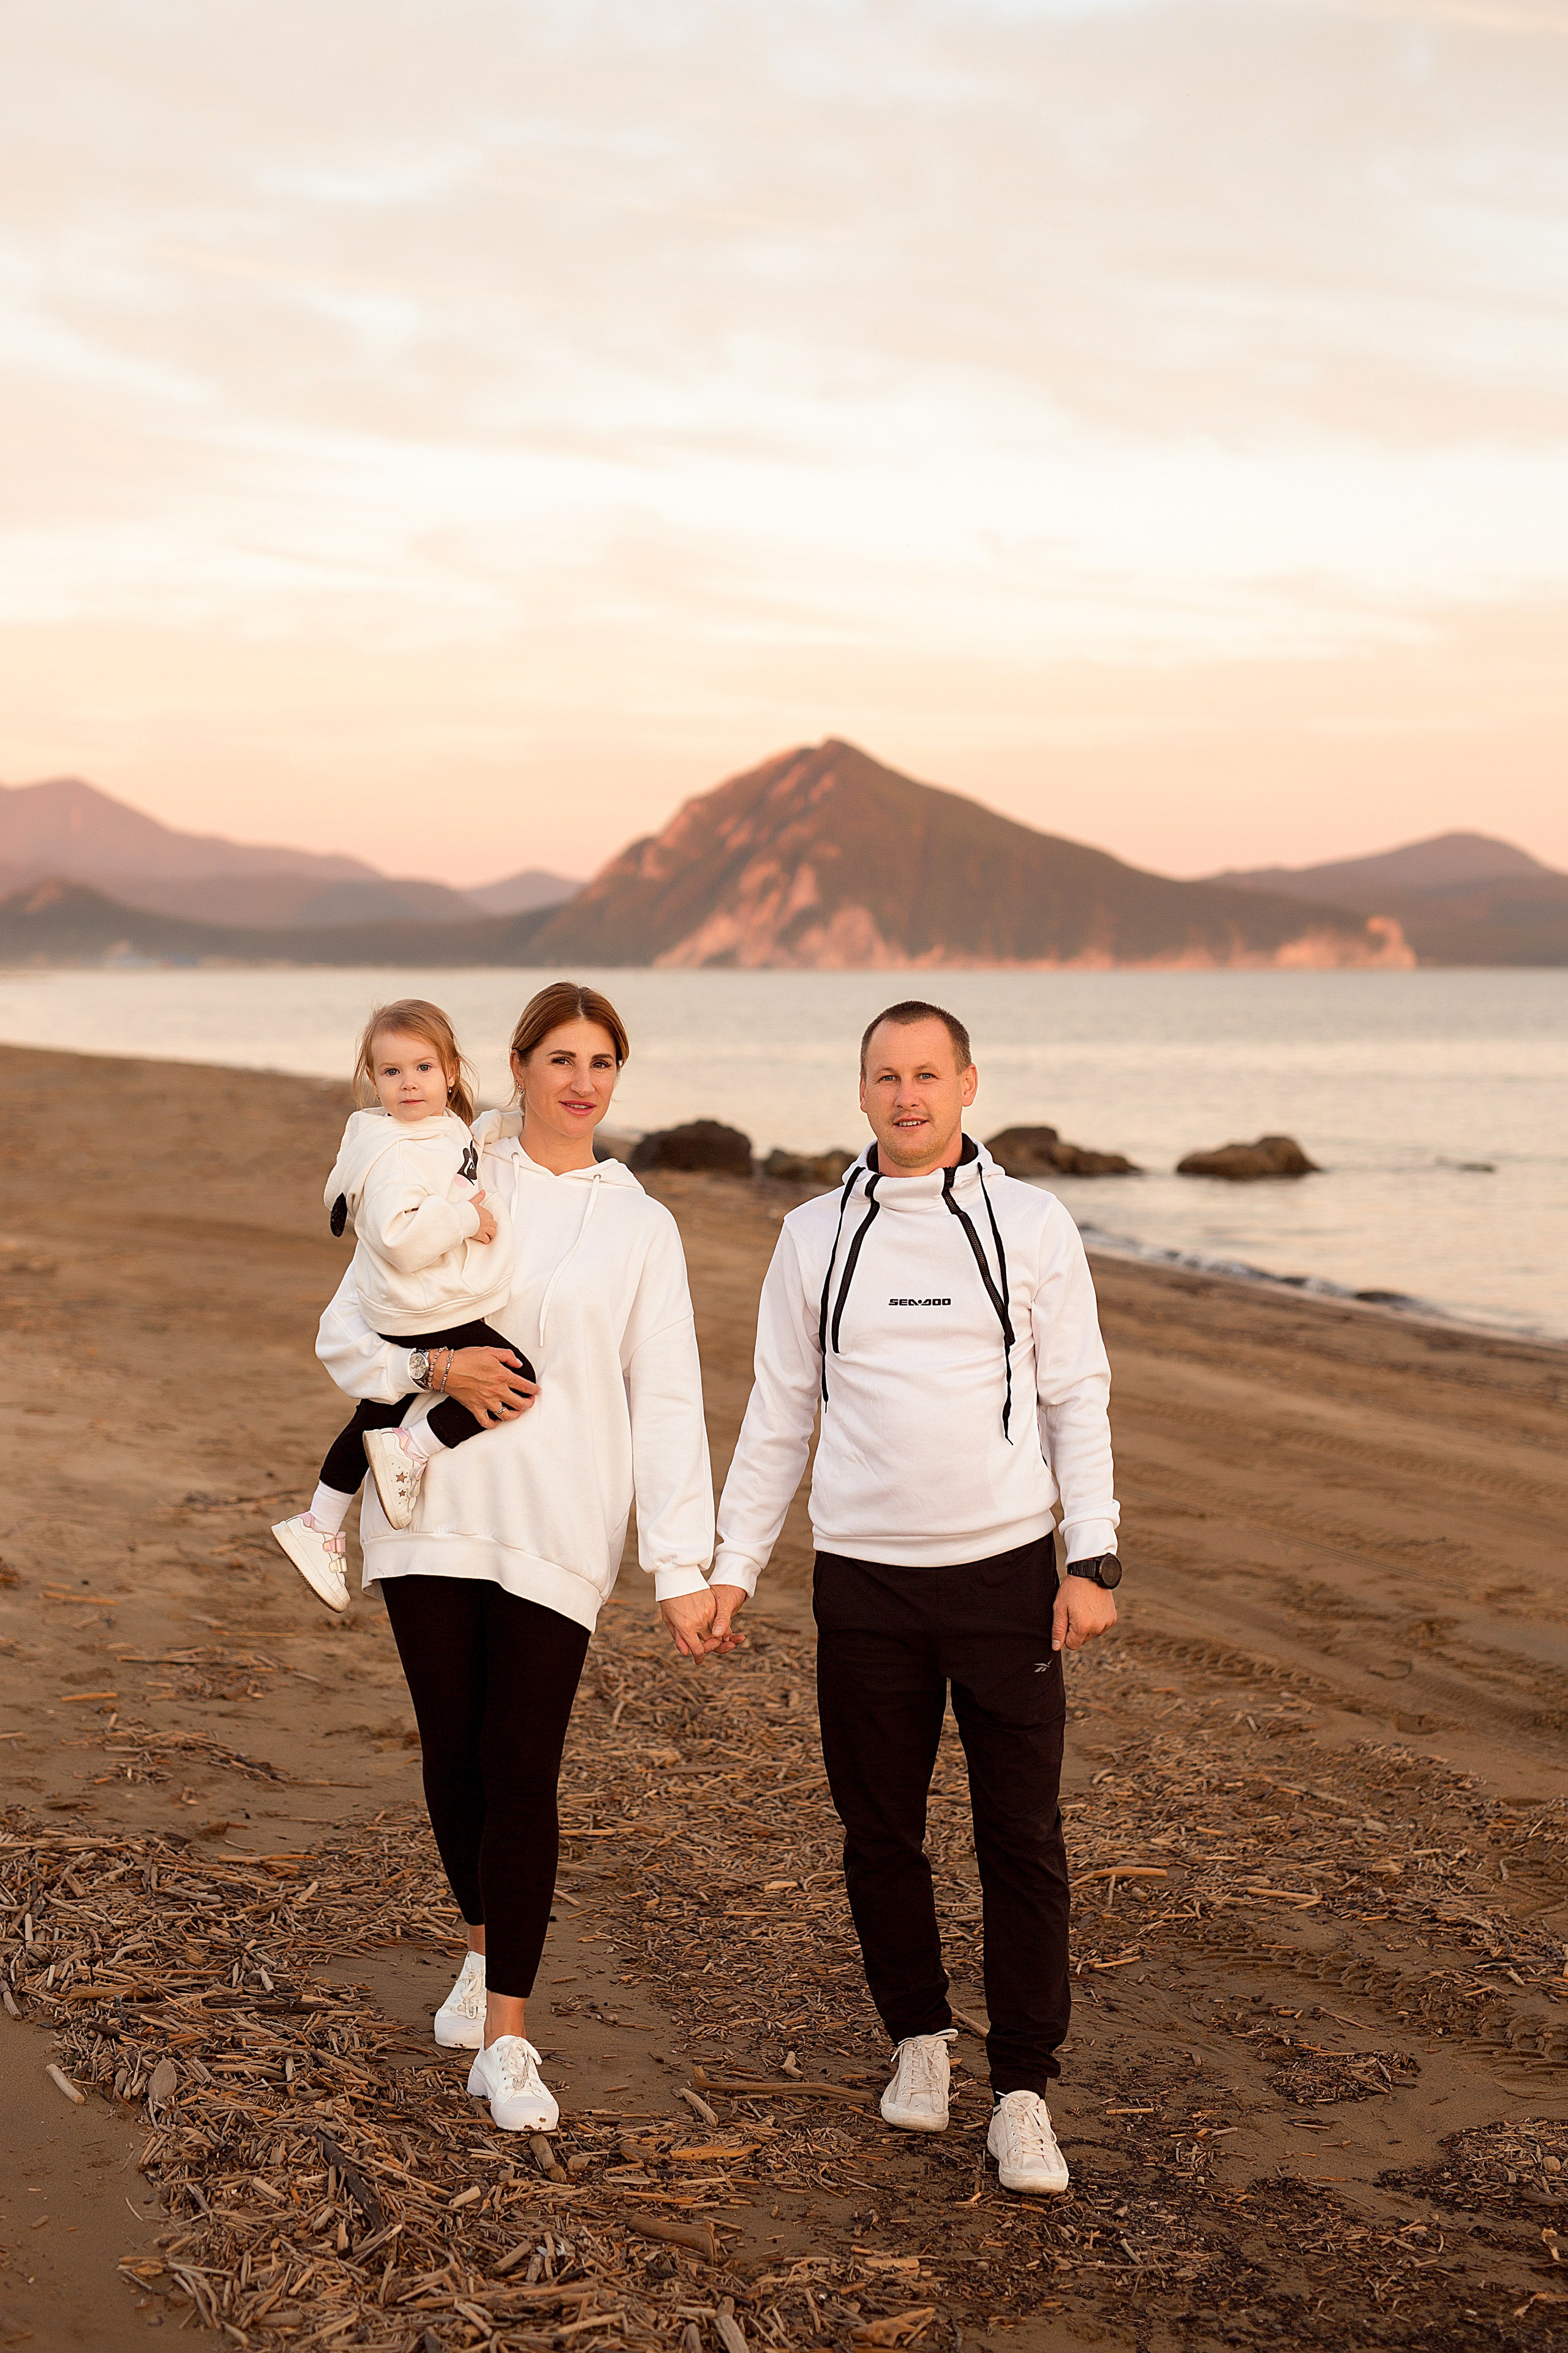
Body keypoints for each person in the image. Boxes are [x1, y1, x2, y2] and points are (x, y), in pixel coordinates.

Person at [706, 999, 1120, 2196]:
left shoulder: (1029, 1224)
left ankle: (1023, 2093)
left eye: (926, 1074)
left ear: (965, 1085)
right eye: (885, 1076)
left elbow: (1073, 1395)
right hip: (864, 1586)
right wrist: (733, 1566)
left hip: (1002, 1578)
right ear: (860, 1092)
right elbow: (779, 1410)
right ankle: (919, 2040)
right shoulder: (811, 1234)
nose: (907, 1095)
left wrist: (1087, 1557)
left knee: (1020, 1837)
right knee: (878, 1831)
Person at [315, 981, 718, 2133]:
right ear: (519, 1065)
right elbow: (348, 1332)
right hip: (429, 1500)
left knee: (521, 1763)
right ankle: (482, 1954)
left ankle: (508, 2036)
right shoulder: (445, 1171)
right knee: (454, 1753)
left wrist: (679, 1565)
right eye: (561, 1059)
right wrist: (437, 1370)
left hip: (560, 1525)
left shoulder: (642, 1225)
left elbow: (671, 1399)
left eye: (602, 1062)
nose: (582, 1081)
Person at [271, 999, 524, 1614]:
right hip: (418, 1305)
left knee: (375, 1408)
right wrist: (469, 1217)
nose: (409, 1083)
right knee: (514, 1376)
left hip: (411, 1305)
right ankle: (411, 1449)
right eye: (392, 1073)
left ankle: (321, 1520)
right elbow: (399, 1238)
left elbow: (461, 1143)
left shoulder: (434, 1128)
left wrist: (509, 1122)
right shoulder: (396, 1153)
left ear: (451, 1072)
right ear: (371, 1079)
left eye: (423, 1068)